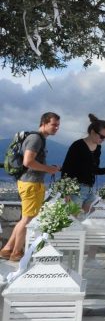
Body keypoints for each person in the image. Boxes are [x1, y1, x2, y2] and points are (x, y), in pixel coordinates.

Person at [0, 112, 61, 262]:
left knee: (26, 218)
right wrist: (48, 169)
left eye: (58, 125)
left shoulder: (39, 139)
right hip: (31, 183)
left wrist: (47, 168)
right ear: (44, 123)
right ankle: (16, 253)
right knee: (27, 220)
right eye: (54, 124)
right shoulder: (35, 139)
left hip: (31, 182)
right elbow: (28, 162)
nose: (56, 128)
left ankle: (8, 249)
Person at [60, 113, 105, 214]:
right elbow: (66, 168)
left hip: (90, 190)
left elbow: (93, 169)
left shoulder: (98, 148)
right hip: (75, 189)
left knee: (86, 218)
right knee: (73, 221)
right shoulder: (77, 146)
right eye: (102, 136)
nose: (103, 140)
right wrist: (66, 192)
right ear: (92, 132)